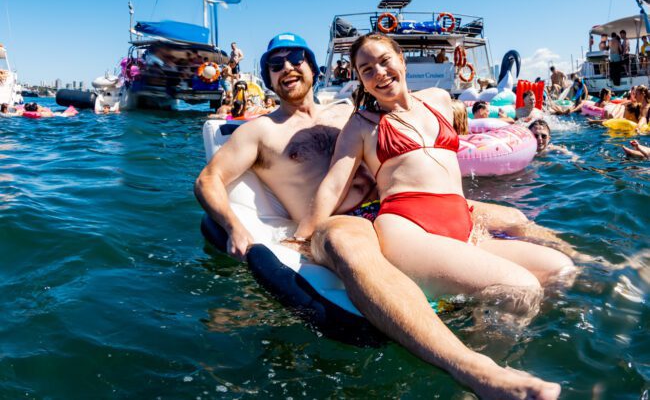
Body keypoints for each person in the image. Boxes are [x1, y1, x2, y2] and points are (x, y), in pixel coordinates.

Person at [195, 31, 572, 399]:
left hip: (400, 208)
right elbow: (209, 179)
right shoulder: (261, 131)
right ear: (268, 77)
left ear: (312, 68)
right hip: (344, 219)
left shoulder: (347, 112)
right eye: (276, 65)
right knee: (349, 244)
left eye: (296, 60)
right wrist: (235, 227)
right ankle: (473, 369)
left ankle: (592, 272)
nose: (287, 68)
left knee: (519, 224)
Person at [296, 33, 573, 315]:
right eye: (367, 70)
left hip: (462, 224)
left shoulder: (438, 99)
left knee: (561, 270)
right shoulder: (361, 125)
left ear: (402, 61)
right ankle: (491, 355)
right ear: (362, 80)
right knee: (522, 290)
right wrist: (301, 239)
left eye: (384, 61)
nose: (379, 72)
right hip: (408, 230)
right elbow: (333, 185)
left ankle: (483, 323)